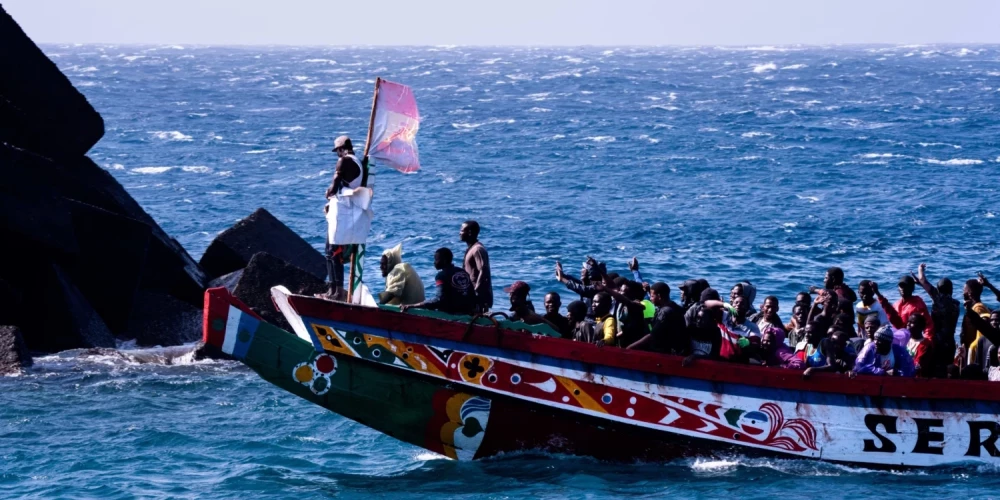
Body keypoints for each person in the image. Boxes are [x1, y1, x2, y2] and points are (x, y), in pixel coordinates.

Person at [322, 135, 364, 300]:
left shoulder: (344, 161)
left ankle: (337, 291)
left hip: (341, 214)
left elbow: (333, 188)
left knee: (333, 252)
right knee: (329, 252)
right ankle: (332, 290)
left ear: (341, 149)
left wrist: (328, 193)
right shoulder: (357, 161)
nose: (337, 155)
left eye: (337, 151)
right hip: (342, 212)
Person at [401, 248, 476, 316]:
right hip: (468, 311)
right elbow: (471, 294)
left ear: (444, 261)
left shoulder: (441, 276)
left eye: (436, 260)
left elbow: (438, 300)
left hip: (452, 313)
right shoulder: (462, 272)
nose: (434, 263)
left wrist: (413, 306)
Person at [627, 282, 688, 354]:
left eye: (652, 296)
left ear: (659, 296)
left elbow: (652, 336)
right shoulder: (675, 307)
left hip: (667, 352)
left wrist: (629, 348)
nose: (650, 298)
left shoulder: (665, 312)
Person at [596, 279, 649, 348]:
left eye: (623, 291)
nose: (620, 293)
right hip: (622, 344)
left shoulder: (636, 307)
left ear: (631, 294)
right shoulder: (622, 305)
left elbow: (626, 331)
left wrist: (605, 288)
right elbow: (613, 286)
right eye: (620, 290)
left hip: (633, 346)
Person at [461, 220, 492, 313]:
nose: (460, 233)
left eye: (462, 230)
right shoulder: (472, 248)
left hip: (478, 297)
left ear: (469, 232)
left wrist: (476, 290)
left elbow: (483, 270)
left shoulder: (477, 249)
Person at [961, 276, 992, 351]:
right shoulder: (975, 307)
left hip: (975, 349)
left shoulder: (978, 309)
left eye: (964, 290)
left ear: (969, 293)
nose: (962, 293)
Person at [901, 312, 935, 377]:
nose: (908, 324)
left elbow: (920, 365)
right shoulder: (904, 339)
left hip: (916, 379)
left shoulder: (926, 345)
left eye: (912, 322)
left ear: (921, 327)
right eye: (908, 321)